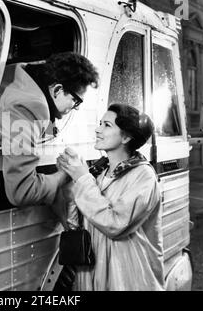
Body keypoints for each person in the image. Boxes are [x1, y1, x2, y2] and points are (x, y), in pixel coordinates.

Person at [56, 103, 165, 291]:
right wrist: (71, 180)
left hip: (127, 280)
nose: (97, 129)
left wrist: (82, 179)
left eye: (107, 125)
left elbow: (115, 224)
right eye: (100, 123)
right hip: (93, 278)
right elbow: (76, 226)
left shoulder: (143, 176)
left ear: (126, 136)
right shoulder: (97, 173)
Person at [0, 52, 99, 207]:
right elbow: (22, 192)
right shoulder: (29, 107)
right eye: (76, 101)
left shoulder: (20, 75)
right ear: (57, 90)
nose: (75, 108)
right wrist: (64, 175)